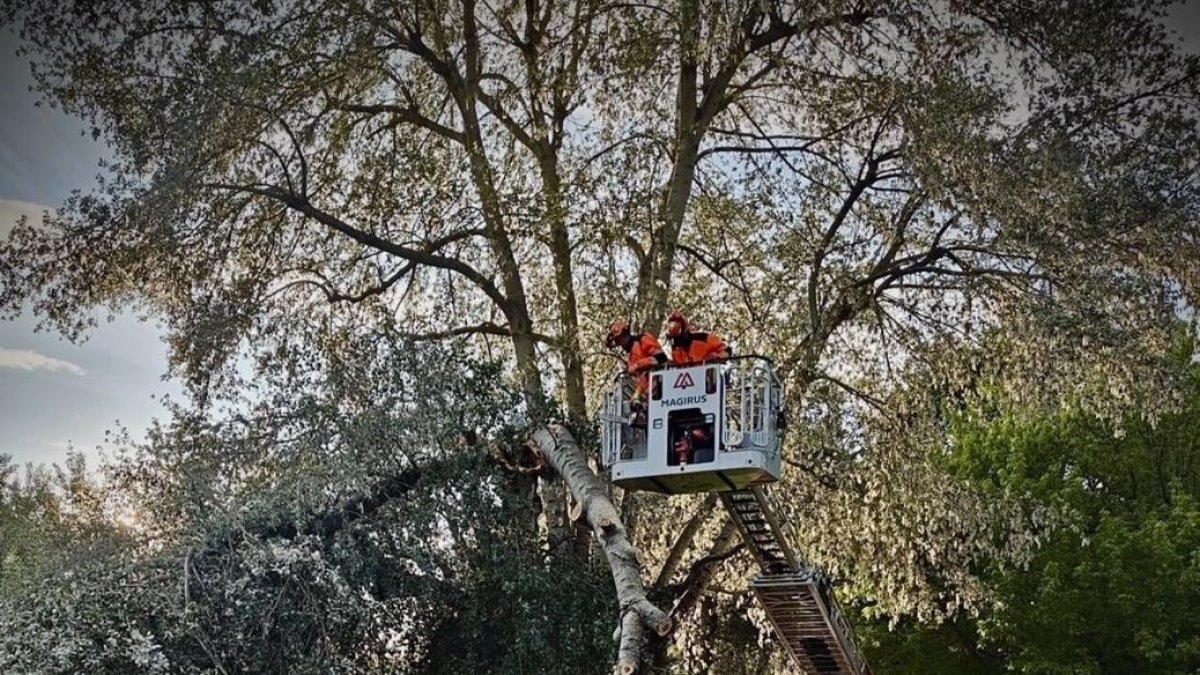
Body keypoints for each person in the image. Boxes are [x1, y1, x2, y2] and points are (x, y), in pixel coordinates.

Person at [604, 319, 667, 423]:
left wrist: (638, 365)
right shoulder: (630, 359)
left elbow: (661, 358)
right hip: (651, 399)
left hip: (664, 388)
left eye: (620, 341)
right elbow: (642, 382)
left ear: (625, 335)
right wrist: (637, 396)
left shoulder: (643, 340)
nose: (621, 345)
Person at [664, 310, 730, 366]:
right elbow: (677, 366)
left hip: (706, 377)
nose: (676, 341)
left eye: (677, 337)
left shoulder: (702, 338)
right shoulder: (675, 350)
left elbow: (727, 350)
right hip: (688, 379)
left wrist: (718, 357)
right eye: (674, 337)